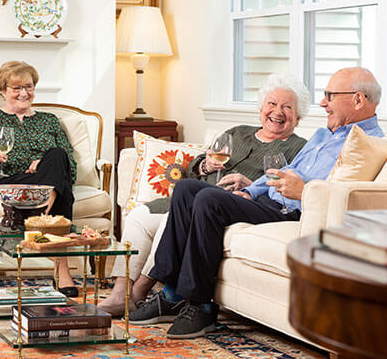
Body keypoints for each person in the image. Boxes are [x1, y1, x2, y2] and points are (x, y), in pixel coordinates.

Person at [129, 67, 384, 339]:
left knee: (208, 198)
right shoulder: (324, 135)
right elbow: (279, 172)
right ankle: (172, 293)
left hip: (292, 212)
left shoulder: (368, 144)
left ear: (358, 100)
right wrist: (251, 192)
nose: (324, 103)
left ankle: (201, 306)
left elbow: (345, 194)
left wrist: (306, 191)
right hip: (268, 202)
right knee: (186, 188)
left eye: (330, 96)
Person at [98, 73, 310, 316]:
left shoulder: (299, 148)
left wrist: (251, 185)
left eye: (287, 107)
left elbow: (282, 189)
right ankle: (119, 293)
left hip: (227, 205)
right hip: (188, 196)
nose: (277, 112)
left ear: (299, 117)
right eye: (272, 104)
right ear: (261, 108)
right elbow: (192, 169)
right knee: (138, 216)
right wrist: (206, 165)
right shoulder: (238, 132)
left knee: (170, 220)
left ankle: (140, 293)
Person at [0, 61, 79, 296]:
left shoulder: (48, 120)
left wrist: (43, 164)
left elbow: (69, 162)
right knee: (61, 188)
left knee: (57, 156)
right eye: (16, 88)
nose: (24, 93)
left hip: (43, 181)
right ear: (3, 90)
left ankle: (35, 213)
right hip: (8, 181)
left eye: (29, 87)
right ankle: (61, 268)